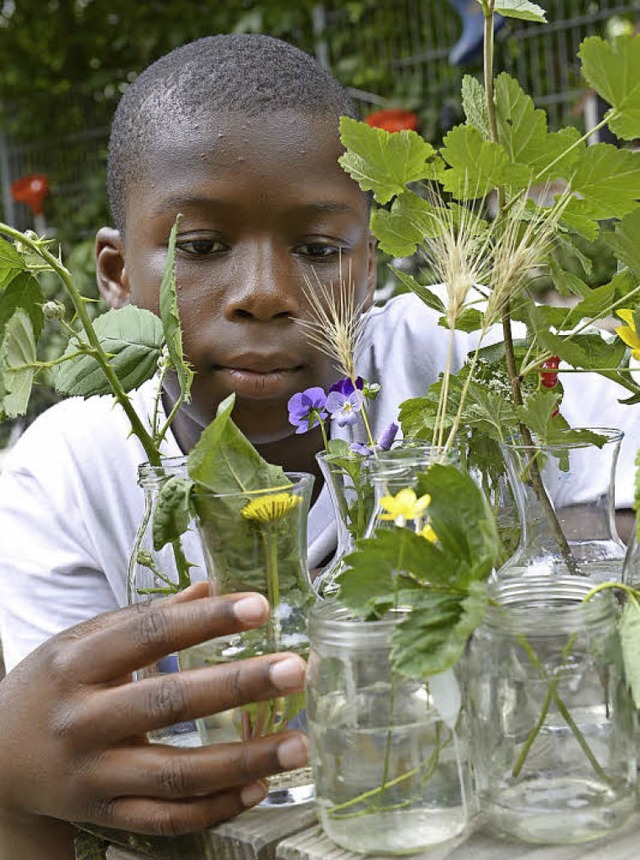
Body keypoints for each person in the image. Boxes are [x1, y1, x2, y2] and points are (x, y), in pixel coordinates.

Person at [0, 31, 638, 859]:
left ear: (368, 270)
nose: (264, 295)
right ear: (118, 275)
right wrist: (15, 785)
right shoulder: (65, 477)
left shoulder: (457, 357)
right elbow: (55, 787)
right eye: (201, 247)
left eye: (318, 249)